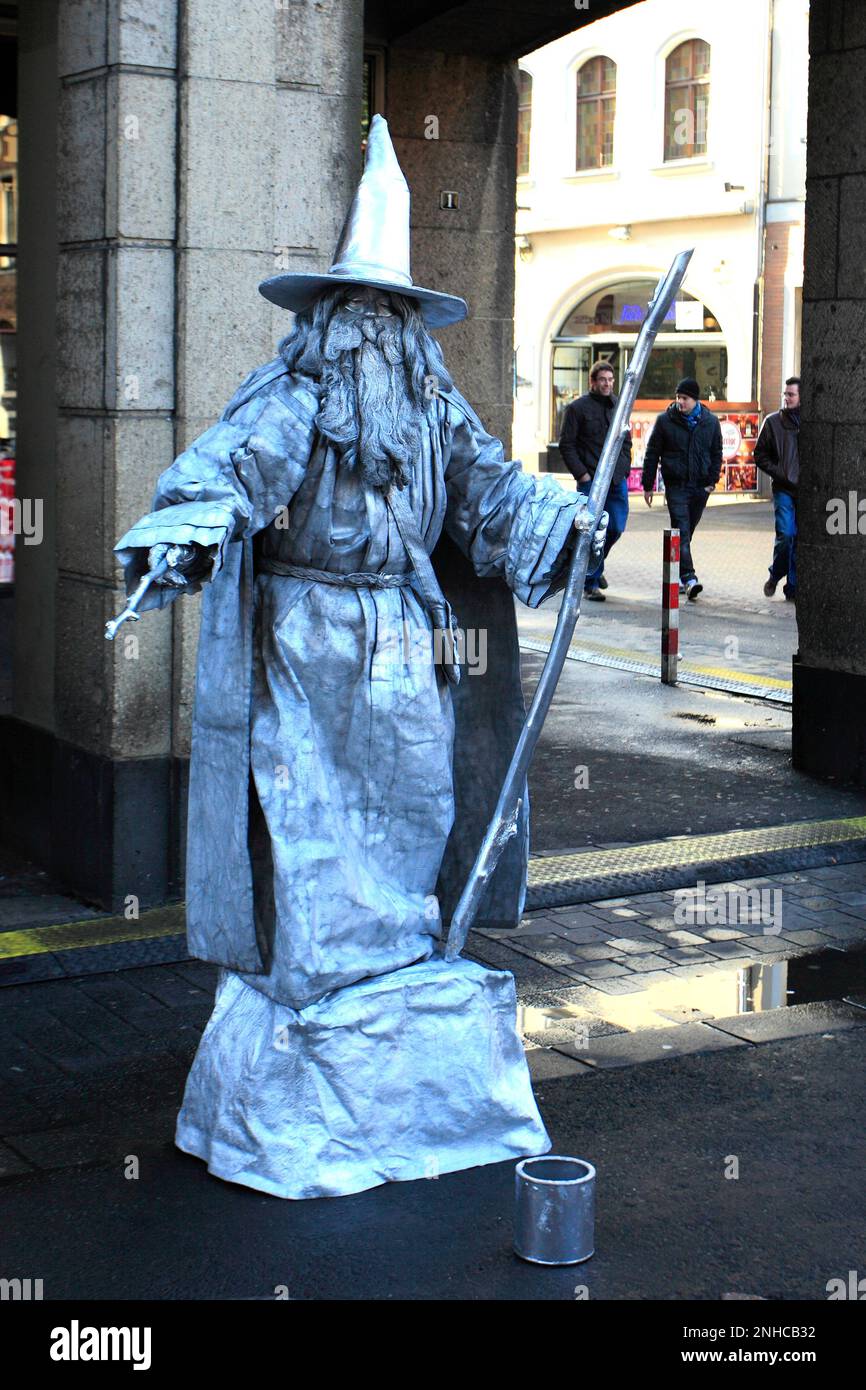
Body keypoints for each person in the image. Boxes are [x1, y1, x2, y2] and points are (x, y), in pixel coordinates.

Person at [110, 117, 606, 1201]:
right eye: (357, 312)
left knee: (416, 802)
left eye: (392, 314)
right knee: (312, 825)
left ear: (413, 329)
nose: (374, 331)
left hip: (406, 636)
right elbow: (230, 468)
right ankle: (321, 984)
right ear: (327, 320)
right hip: (305, 640)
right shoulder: (295, 395)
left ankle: (394, 974)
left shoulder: (431, 408)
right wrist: (190, 524)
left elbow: (490, 495)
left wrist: (560, 526)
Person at [641, 376, 722, 600]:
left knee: (686, 534)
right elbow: (652, 454)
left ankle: (676, 572)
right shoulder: (665, 421)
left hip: (700, 487)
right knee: (681, 530)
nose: (680, 402)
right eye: (678, 397)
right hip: (676, 486)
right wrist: (648, 485)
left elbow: (716, 453)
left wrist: (711, 482)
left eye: (684, 398)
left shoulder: (710, 422)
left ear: (695, 400)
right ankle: (689, 579)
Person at [558, 359, 632, 601]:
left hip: (616, 479)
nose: (607, 384)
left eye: (611, 380)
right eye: (603, 380)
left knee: (616, 528)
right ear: (593, 381)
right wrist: (582, 474)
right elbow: (567, 445)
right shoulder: (578, 408)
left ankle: (595, 566)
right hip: (591, 479)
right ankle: (590, 582)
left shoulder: (619, 405)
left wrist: (624, 467)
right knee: (591, 531)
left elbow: (626, 440)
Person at [754, 376, 800, 602]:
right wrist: (779, 472)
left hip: (804, 491)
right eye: (785, 394)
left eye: (791, 394)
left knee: (798, 539)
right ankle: (775, 575)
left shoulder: (809, 424)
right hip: (783, 488)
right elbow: (759, 455)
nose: (787, 398)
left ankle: (792, 587)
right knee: (786, 535)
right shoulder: (772, 422)